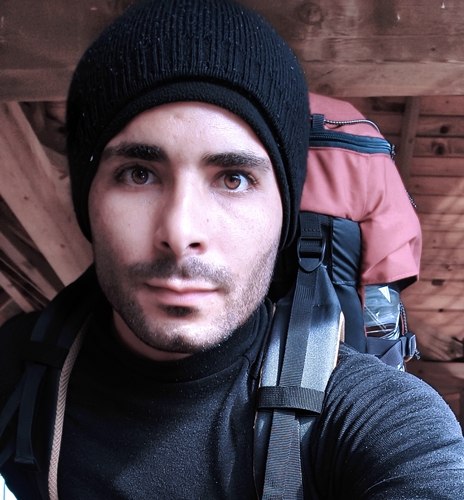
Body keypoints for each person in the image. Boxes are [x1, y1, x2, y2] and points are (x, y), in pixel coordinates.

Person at [1, 0, 464, 498]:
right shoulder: (15, 372)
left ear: (284, 214)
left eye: (234, 179)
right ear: (87, 198)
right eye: (138, 174)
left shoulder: (380, 421)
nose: (180, 231)